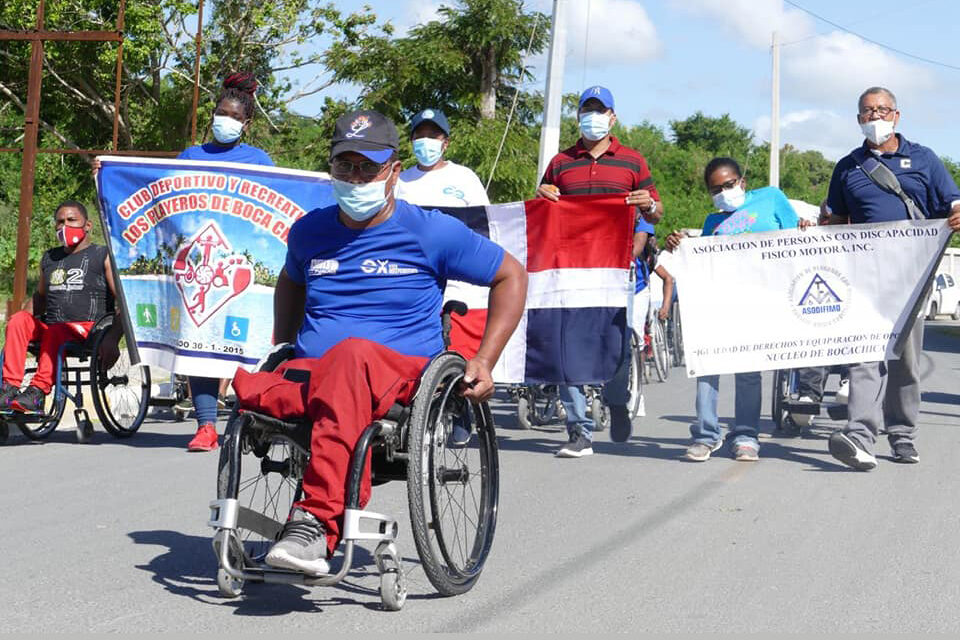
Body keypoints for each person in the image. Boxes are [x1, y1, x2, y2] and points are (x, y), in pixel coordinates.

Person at [241, 109, 526, 575]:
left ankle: (316, 521)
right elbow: (291, 282)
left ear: (393, 171)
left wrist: (486, 359)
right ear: (330, 167)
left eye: (368, 167)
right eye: (345, 165)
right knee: (266, 382)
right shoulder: (309, 231)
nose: (356, 178)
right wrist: (282, 343)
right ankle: (261, 521)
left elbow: (510, 274)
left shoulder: (429, 231)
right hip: (323, 371)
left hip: (402, 375)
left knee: (350, 356)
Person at [824, 86, 960, 471]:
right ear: (858, 119)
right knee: (865, 355)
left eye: (883, 109)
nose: (876, 116)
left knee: (906, 361)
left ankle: (901, 433)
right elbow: (835, 223)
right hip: (866, 278)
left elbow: (952, 202)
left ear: (897, 115)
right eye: (868, 111)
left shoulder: (924, 159)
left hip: (914, 278)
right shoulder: (847, 167)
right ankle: (860, 436)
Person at [537, 85, 662, 457]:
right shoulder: (560, 163)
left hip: (616, 266)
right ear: (579, 117)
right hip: (571, 268)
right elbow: (544, 209)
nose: (592, 116)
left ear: (612, 116)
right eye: (586, 109)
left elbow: (655, 213)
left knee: (616, 344)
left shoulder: (633, 161)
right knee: (565, 344)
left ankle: (617, 401)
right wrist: (543, 196)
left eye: (599, 109)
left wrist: (649, 204)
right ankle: (578, 429)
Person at [666, 157, 800, 462]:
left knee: (748, 373)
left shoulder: (771, 198)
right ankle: (706, 435)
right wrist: (680, 245)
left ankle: (745, 435)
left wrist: (805, 229)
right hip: (721, 304)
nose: (724, 192)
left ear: (742, 181)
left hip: (760, 301)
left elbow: (795, 240)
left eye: (729, 184)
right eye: (716, 189)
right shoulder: (714, 223)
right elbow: (700, 260)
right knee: (707, 369)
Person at [176, 72, 275, 452]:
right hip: (199, 267)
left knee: (241, 347)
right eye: (220, 112)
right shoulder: (191, 157)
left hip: (239, 268)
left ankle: (246, 418)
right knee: (198, 344)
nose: (225, 120)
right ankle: (205, 427)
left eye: (233, 115)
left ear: (245, 124)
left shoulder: (259, 161)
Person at [0, 201, 121, 421]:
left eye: (71, 220)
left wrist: (114, 337)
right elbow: (40, 298)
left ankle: (37, 392)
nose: (64, 226)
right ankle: (8, 389)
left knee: (57, 331)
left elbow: (122, 301)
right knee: (18, 320)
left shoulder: (101, 255)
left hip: (89, 327)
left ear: (88, 225)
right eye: (60, 222)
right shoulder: (50, 258)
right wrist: (22, 321)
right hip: (54, 325)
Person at [395, 109, 489, 207]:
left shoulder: (465, 177)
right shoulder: (400, 180)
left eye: (433, 136)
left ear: (445, 143)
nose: (426, 141)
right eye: (420, 136)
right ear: (412, 141)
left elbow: (483, 217)